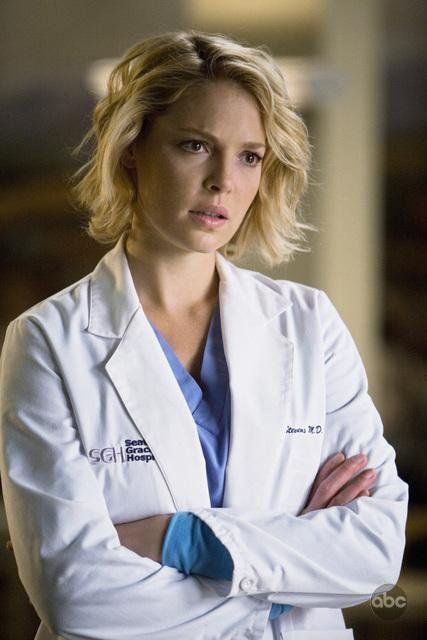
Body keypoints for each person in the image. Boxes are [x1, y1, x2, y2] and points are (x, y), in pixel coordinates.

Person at [0, 31, 407, 640]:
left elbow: (375, 551)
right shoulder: (47, 343)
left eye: (250, 155)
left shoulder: (308, 324)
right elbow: (77, 596)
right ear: (132, 149)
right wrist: (283, 581)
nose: (223, 181)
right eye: (195, 146)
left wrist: (179, 539)